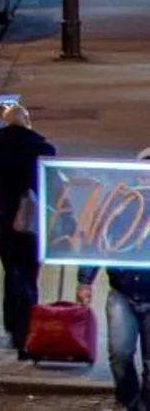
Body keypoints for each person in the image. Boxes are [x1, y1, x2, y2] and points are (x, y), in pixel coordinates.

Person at [0, 103, 57, 353]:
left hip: (6, 218)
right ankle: (28, 325)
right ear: (27, 121)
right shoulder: (43, 148)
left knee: (12, 273)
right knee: (31, 274)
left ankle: (15, 328)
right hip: (35, 221)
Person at [80, 148, 150, 410]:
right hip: (122, 292)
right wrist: (85, 280)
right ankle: (129, 401)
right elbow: (97, 241)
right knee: (119, 354)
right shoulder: (119, 207)